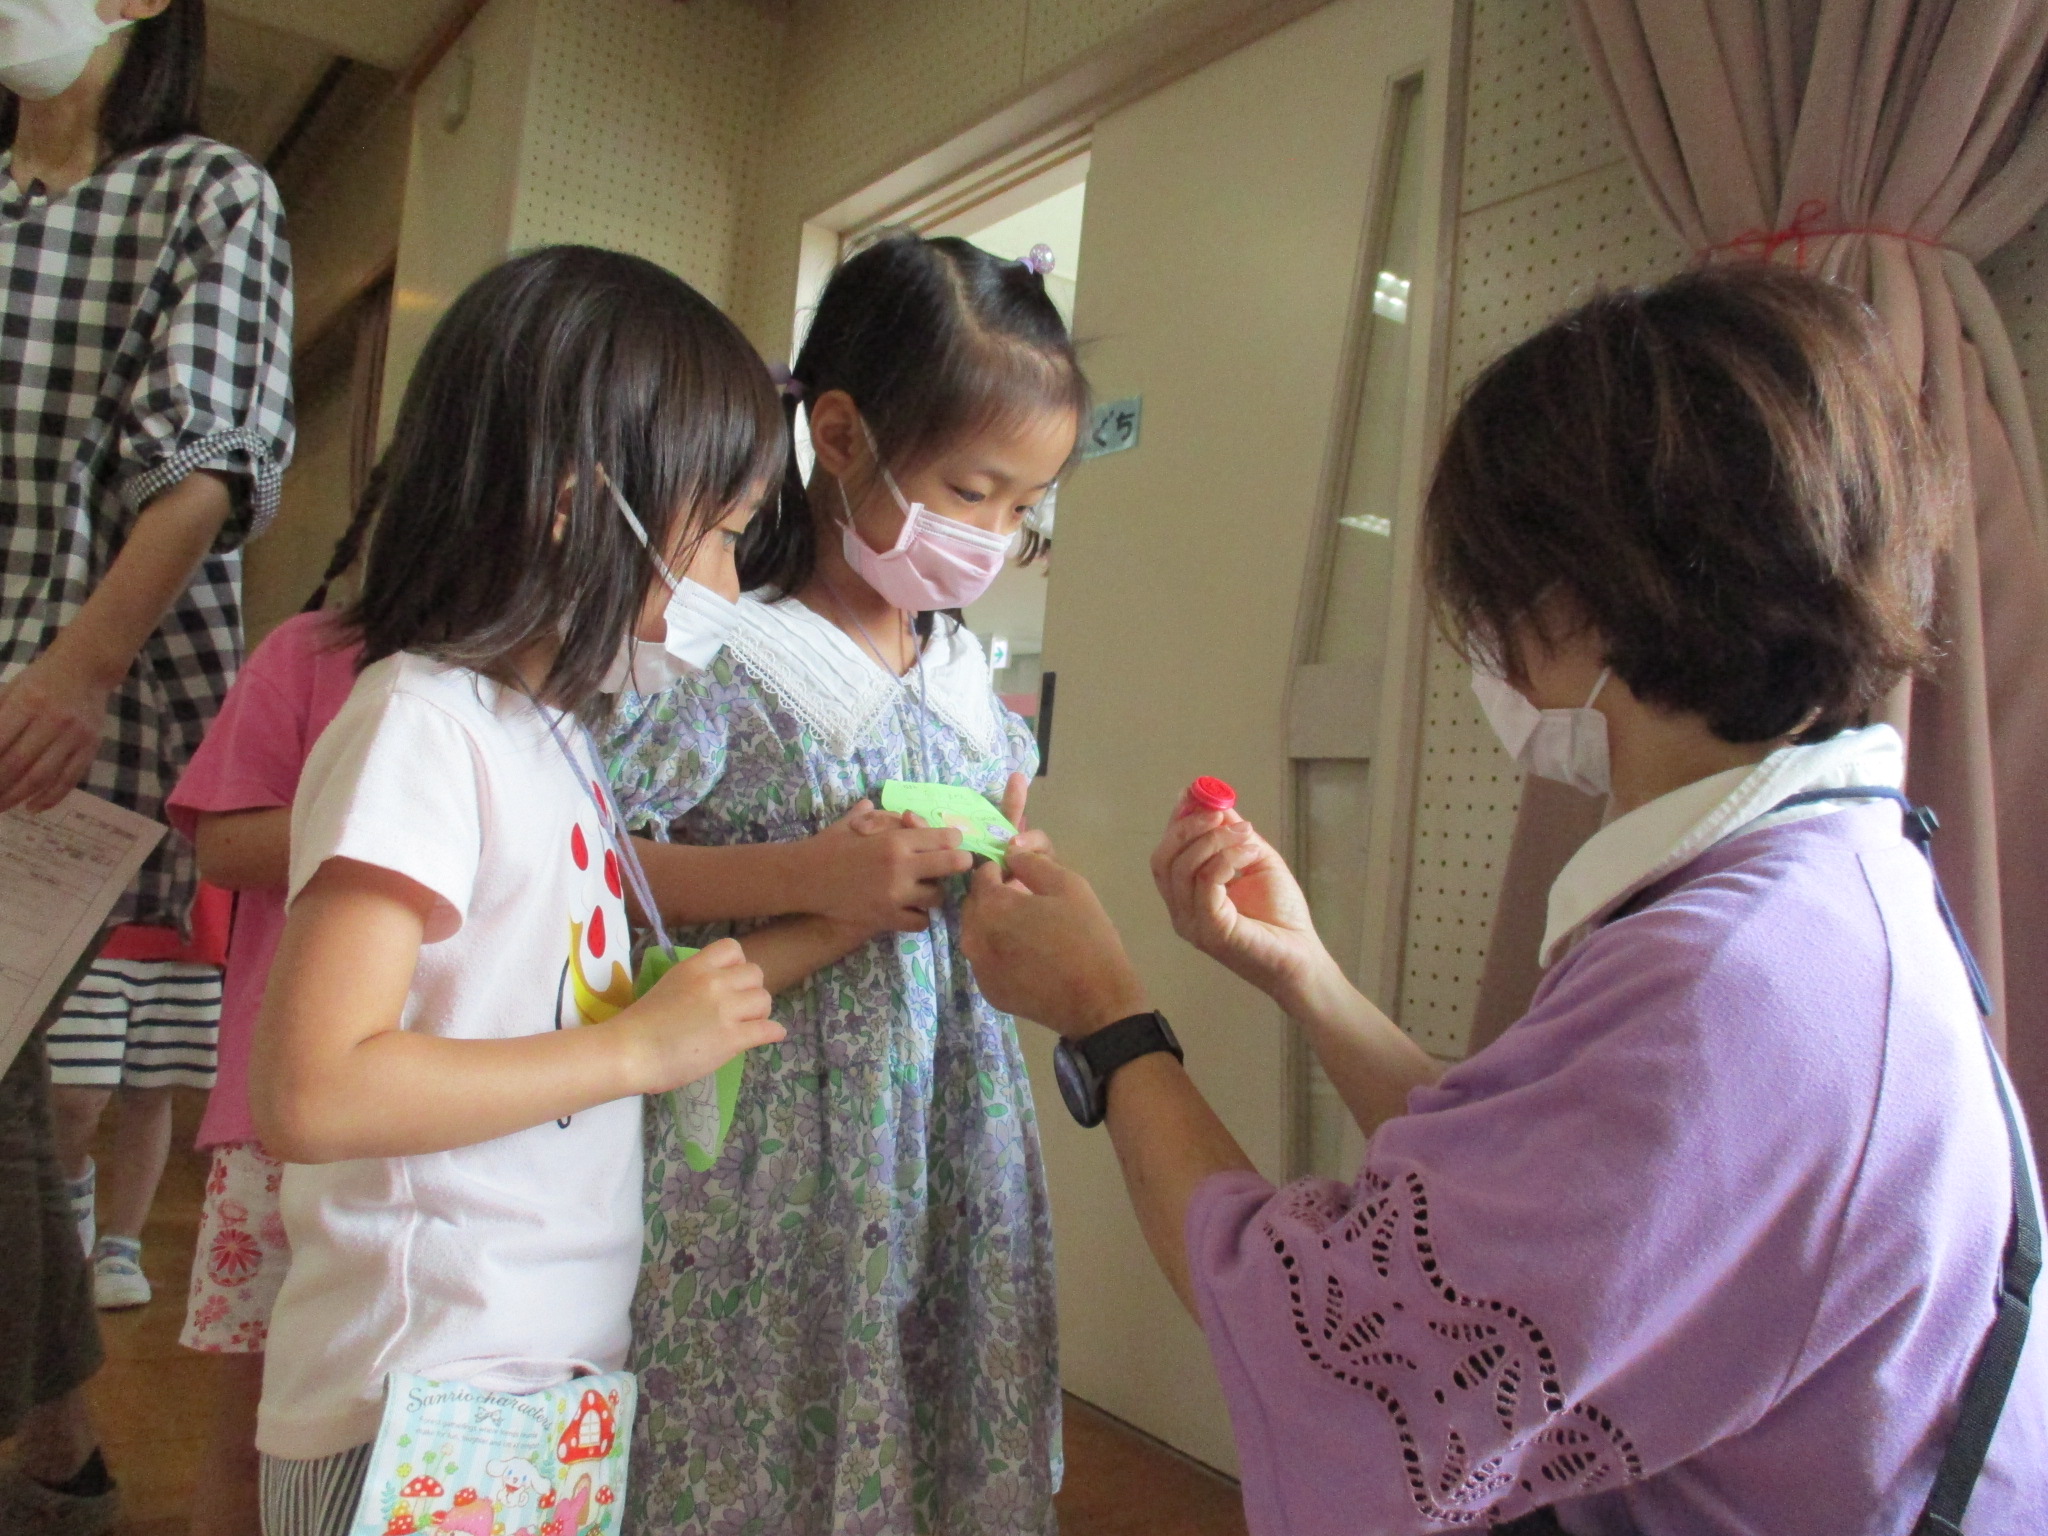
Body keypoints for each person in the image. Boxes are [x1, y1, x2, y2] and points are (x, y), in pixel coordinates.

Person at [960, 264, 2046, 1532]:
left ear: (1575, 599)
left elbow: (1329, 1343)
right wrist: (1303, 973)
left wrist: (1105, 1016)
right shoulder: (1814, 884)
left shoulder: (1731, 979)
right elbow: (1536, 1176)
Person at [246, 246, 790, 1536]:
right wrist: (634, 1052)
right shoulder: (422, 728)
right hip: (418, 1393)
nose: (728, 588)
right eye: (720, 538)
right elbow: (312, 1091)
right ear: (572, 504)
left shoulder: (549, 736)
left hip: (533, 1380)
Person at [603, 232, 1084, 1534]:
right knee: (768, 1435)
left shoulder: (965, 676)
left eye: (1022, 512)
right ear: (839, 434)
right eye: (971, 491)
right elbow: (595, 869)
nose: (991, 538)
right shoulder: (719, 649)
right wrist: (808, 876)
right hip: (776, 1135)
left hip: (948, 1120)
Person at [0, 0, 292, 1528]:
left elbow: (208, 463)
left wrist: (79, 668)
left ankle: (56, 1443)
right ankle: (57, 1441)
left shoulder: (206, 191)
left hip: (74, 714)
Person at [160, 503, 377, 1536]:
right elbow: (226, 843)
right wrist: (403, 811)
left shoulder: (533, 683)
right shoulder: (310, 651)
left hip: (443, 1121)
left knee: (383, 1434)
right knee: (250, 1434)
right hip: (277, 1115)